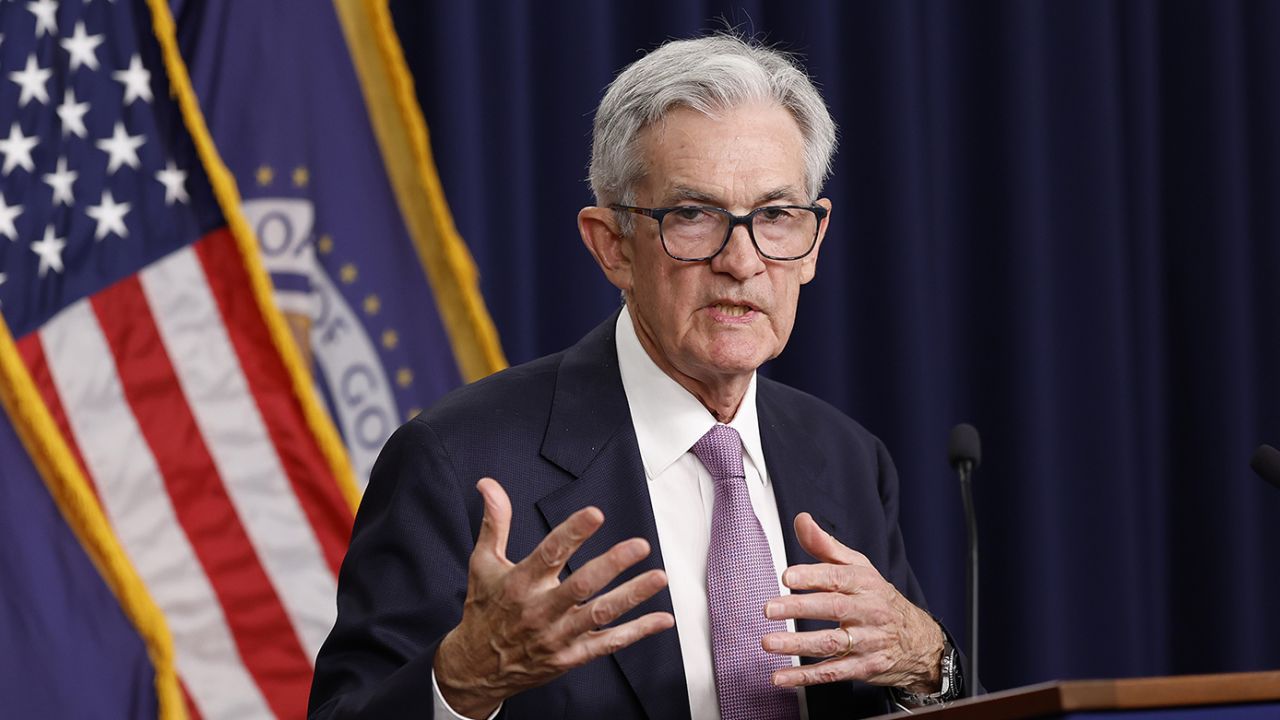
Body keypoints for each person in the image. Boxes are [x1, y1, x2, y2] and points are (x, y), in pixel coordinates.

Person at [309, 34, 971, 720]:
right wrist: (463, 681)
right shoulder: (458, 462)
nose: (742, 261)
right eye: (693, 216)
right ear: (612, 246)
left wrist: (928, 660)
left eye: (775, 216)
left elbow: (920, 696)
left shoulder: (848, 460)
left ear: (814, 240)